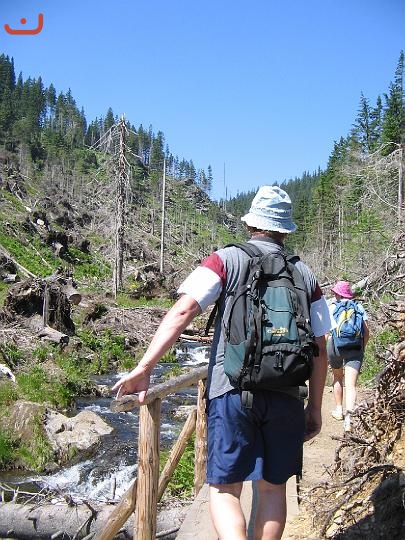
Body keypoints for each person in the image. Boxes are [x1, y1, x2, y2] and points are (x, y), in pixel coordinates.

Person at [112, 185, 332, 540]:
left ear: (251, 223)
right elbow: (320, 344)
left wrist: (145, 367)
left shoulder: (225, 260)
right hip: (288, 393)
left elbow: (183, 310)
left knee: (225, 489)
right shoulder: (305, 275)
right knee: (273, 489)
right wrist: (316, 407)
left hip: (230, 390)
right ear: (285, 230)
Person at [327, 281, 369, 432]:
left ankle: (339, 410)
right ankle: (349, 419)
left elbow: (326, 333)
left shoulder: (332, 308)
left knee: (338, 378)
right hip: (355, 347)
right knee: (351, 385)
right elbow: (366, 332)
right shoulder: (358, 307)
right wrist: (362, 348)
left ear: (337, 294)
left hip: (335, 347)